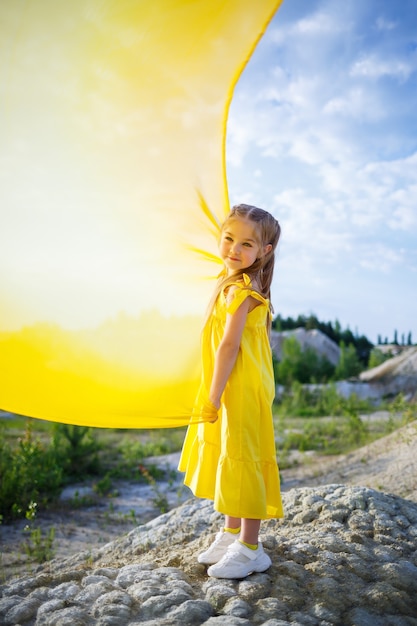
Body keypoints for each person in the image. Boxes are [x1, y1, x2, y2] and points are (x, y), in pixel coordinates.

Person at [178, 203, 284, 579]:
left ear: (264, 252)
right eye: (228, 239)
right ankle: (231, 531)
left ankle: (252, 548)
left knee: (245, 460)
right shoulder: (230, 282)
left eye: (246, 245)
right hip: (232, 386)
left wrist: (212, 394)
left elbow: (229, 347)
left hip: (240, 389)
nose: (234, 250)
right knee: (231, 455)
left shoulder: (242, 290)